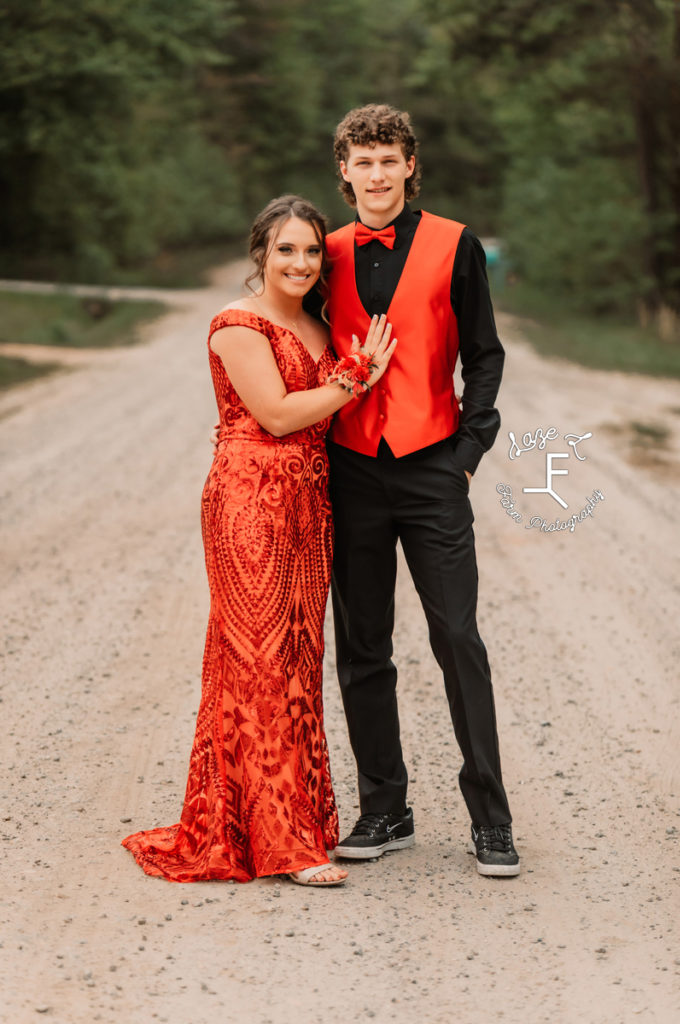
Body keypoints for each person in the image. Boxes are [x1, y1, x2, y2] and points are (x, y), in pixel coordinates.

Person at [122, 195, 396, 887]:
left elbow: (328, 417)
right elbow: (275, 415)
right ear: (260, 255)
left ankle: (278, 822)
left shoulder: (316, 324)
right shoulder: (236, 325)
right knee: (258, 660)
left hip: (310, 502)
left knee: (298, 659)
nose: (300, 262)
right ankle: (284, 845)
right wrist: (357, 375)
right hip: (249, 500)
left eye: (310, 251)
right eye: (286, 250)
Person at [325, 104, 520, 876]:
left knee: (457, 641)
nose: (375, 174)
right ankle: (384, 808)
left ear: (410, 166)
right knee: (361, 647)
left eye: (388, 159)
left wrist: (469, 449)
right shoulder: (327, 252)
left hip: (433, 463)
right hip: (349, 468)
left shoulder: (453, 243)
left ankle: (490, 821)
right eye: (361, 161)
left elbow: (485, 352)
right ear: (343, 171)